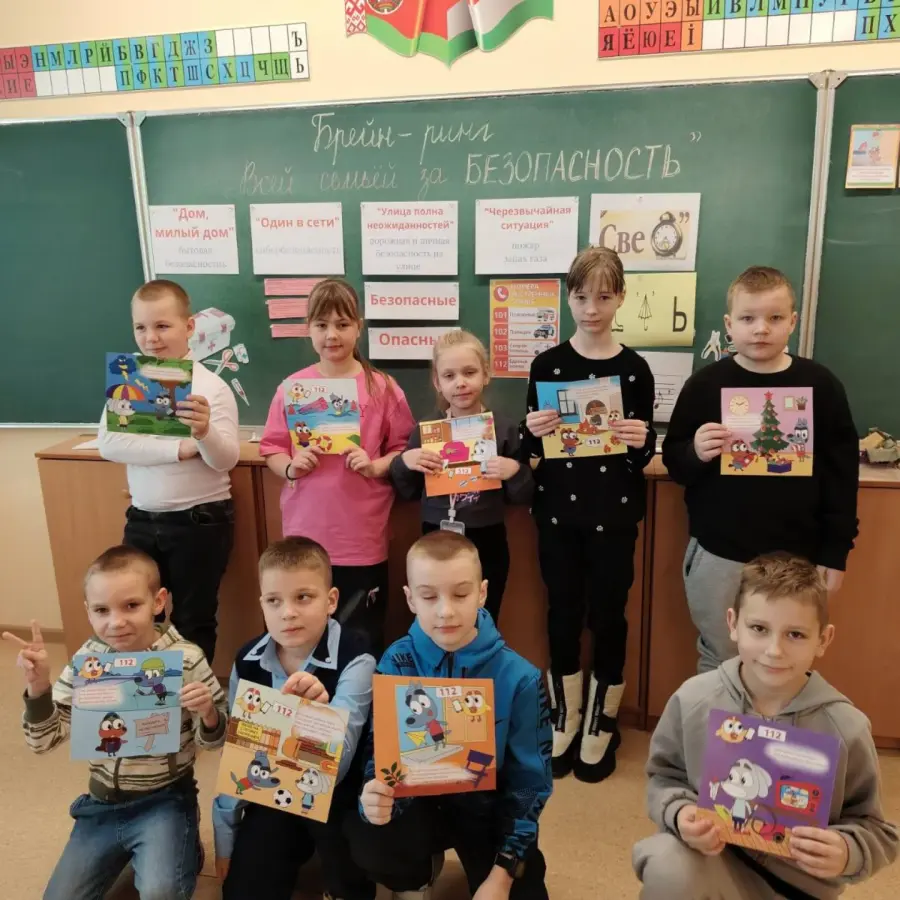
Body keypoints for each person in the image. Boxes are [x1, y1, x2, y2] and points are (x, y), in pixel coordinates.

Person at [633, 553, 898, 899]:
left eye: (795, 634)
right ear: (733, 623)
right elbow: (664, 776)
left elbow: (876, 829)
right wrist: (680, 811)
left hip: (797, 887)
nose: (774, 650)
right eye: (759, 628)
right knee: (667, 865)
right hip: (712, 865)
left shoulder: (846, 727)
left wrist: (847, 851)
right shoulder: (694, 699)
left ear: (823, 639)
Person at [662, 266, 859, 675]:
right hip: (720, 553)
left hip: (798, 556)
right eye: (748, 318)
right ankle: (720, 722)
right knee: (721, 658)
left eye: (775, 317)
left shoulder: (821, 387)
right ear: (729, 324)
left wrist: (835, 552)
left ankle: (773, 723)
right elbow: (675, 462)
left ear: (793, 321)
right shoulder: (705, 385)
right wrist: (695, 451)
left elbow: (841, 479)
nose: (761, 329)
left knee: (785, 661)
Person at [3, 545, 227, 900]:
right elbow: (43, 741)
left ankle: (183, 848)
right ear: (88, 611)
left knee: (161, 892)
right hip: (101, 804)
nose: (116, 622)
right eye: (102, 610)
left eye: (131, 605)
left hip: (165, 801)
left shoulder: (186, 659)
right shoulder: (89, 660)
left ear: (158, 602)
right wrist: (39, 688)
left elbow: (219, 740)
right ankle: (139, 851)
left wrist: (209, 713)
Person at [348, 531, 553, 900]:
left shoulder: (520, 678)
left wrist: (503, 874)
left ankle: (495, 869)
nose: (445, 611)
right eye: (429, 596)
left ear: (482, 593)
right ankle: (416, 875)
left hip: (486, 811)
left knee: (523, 886)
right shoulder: (396, 662)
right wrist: (374, 797)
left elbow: (529, 785)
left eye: (460, 594)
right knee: (367, 835)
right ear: (410, 599)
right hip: (417, 804)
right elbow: (378, 753)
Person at [523, 246, 655, 782]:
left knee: (609, 616)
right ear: (568, 298)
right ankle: (565, 716)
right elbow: (532, 451)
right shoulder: (547, 365)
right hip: (557, 514)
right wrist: (533, 433)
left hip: (614, 517)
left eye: (603, 297)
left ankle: (601, 722)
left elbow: (641, 454)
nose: (592, 308)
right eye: (581, 297)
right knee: (562, 612)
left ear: (621, 297)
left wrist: (642, 440)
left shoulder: (634, 369)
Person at [213, 536, 377, 900]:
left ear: (331, 600)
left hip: (337, 796)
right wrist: (226, 838)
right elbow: (236, 756)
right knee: (243, 889)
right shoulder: (247, 661)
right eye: (274, 601)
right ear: (262, 604)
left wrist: (315, 715)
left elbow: (339, 766)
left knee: (349, 879)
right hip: (272, 790)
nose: (287, 612)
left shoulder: (357, 658)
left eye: (303, 597)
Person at [260, 279, 415, 649]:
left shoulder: (383, 387)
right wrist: (291, 466)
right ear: (309, 329)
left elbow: (404, 449)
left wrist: (375, 465)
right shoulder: (292, 388)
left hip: (361, 537)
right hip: (306, 532)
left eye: (342, 324)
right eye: (322, 325)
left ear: (358, 327)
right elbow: (272, 449)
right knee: (305, 634)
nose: (332, 335)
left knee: (361, 636)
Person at [98, 279, 240, 665]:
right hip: (142, 519)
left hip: (200, 520)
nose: (151, 338)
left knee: (194, 618)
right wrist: (180, 449)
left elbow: (225, 460)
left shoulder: (211, 386)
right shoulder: (131, 379)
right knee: (137, 615)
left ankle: (192, 696)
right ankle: (145, 695)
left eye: (162, 326)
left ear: (189, 327)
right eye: (141, 327)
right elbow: (109, 444)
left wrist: (205, 434)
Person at [390, 329, 533, 623]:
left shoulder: (504, 429)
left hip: (488, 539)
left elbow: (523, 495)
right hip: (436, 537)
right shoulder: (426, 430)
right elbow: (406, 490)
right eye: (449, 375)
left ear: (486, 374)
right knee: (438, 618)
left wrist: (515, 471)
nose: (461, 383)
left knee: (484, 617)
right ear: (437, 382)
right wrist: (404, 462)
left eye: (469, 372)